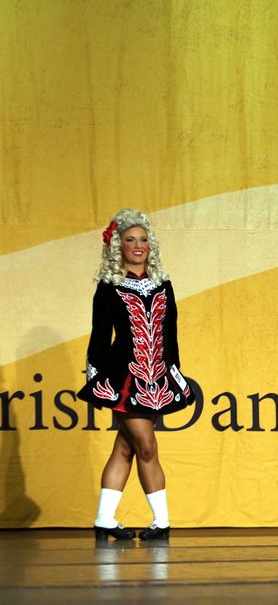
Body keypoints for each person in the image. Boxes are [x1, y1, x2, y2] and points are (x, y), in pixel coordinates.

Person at [78, 209, 196, 541]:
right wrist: (96, 378)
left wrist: (175, 375)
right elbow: (100, 337)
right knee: (146, 446)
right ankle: (163, 521)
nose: (138, 245)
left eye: (143, 239)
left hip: (157, 379)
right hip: (123, 379)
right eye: (130, 240)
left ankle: (104, 519)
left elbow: (170, 336)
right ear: (119, 246)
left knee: (125, 448)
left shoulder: (163, 285)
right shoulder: (109, 287)